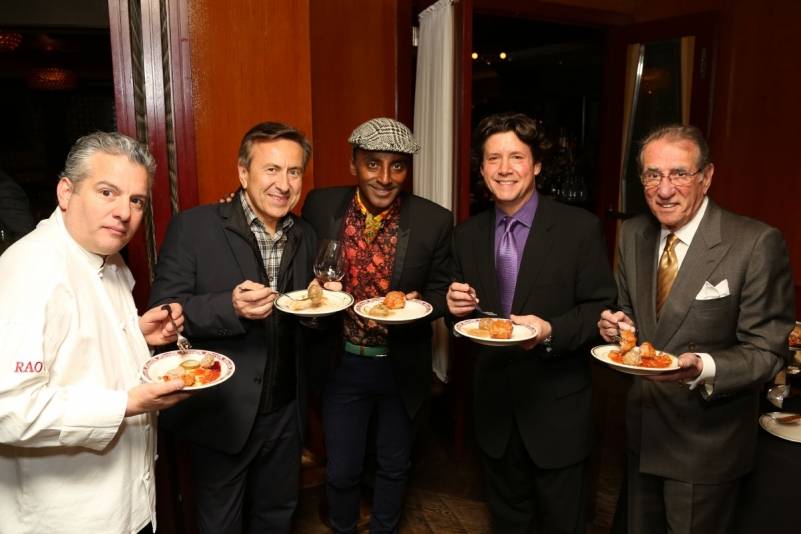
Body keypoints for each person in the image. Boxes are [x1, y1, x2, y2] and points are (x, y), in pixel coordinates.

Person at [597, 124, 795, 534]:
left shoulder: (755, 243)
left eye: (679, 174)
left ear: (706, 177)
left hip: (704, 445)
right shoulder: (633, 233)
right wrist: (617, 327)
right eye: (653, 175)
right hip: (642, 435)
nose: (664, 189)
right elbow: (635, 319)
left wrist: (702, 367)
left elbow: (767, 351)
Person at [0, 131, 189, 534]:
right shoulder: (31, 269)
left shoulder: (108, 256)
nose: (124, 212)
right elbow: (9, 408)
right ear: (66, 192)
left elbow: (75, 346)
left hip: (128, 504)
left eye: (136, 200)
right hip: (68, 518)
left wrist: (135, 333)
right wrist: (126, 404)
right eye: (107, 192)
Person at [446, 112, 616, 534]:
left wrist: (550, 330)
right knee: (508, 522)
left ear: (537, 165)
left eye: (517, 157)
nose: (504, 168)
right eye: (493, 158)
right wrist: (453, 305)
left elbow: (600, 308)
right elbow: (461, 315)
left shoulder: (580, 229)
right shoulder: (466, 235)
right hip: (495, 412)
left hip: (557, 410)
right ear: (482, 169)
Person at [149, 122, 322, 533]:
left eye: (294, 172)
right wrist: (229, 306)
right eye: (271, 170)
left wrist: (320, 303)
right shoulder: (194, 228)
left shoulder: (306, 234)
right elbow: (163, 312)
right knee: (220, 524)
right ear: (243, 173)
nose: (284, 184)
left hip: (286, 411)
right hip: (223, 413)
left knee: (276, 516)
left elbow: (305, 316)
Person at [302, 117, 453, 533]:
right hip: (342, 363)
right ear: (353, 163)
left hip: (401, 364)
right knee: (342, 469)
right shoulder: (319, 206)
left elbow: (443, 289)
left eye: (397, 166)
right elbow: (287, 237)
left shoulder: (434, 220)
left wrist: (425, 303)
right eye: (373, 164)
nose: (385, 178)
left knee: (394, 465)